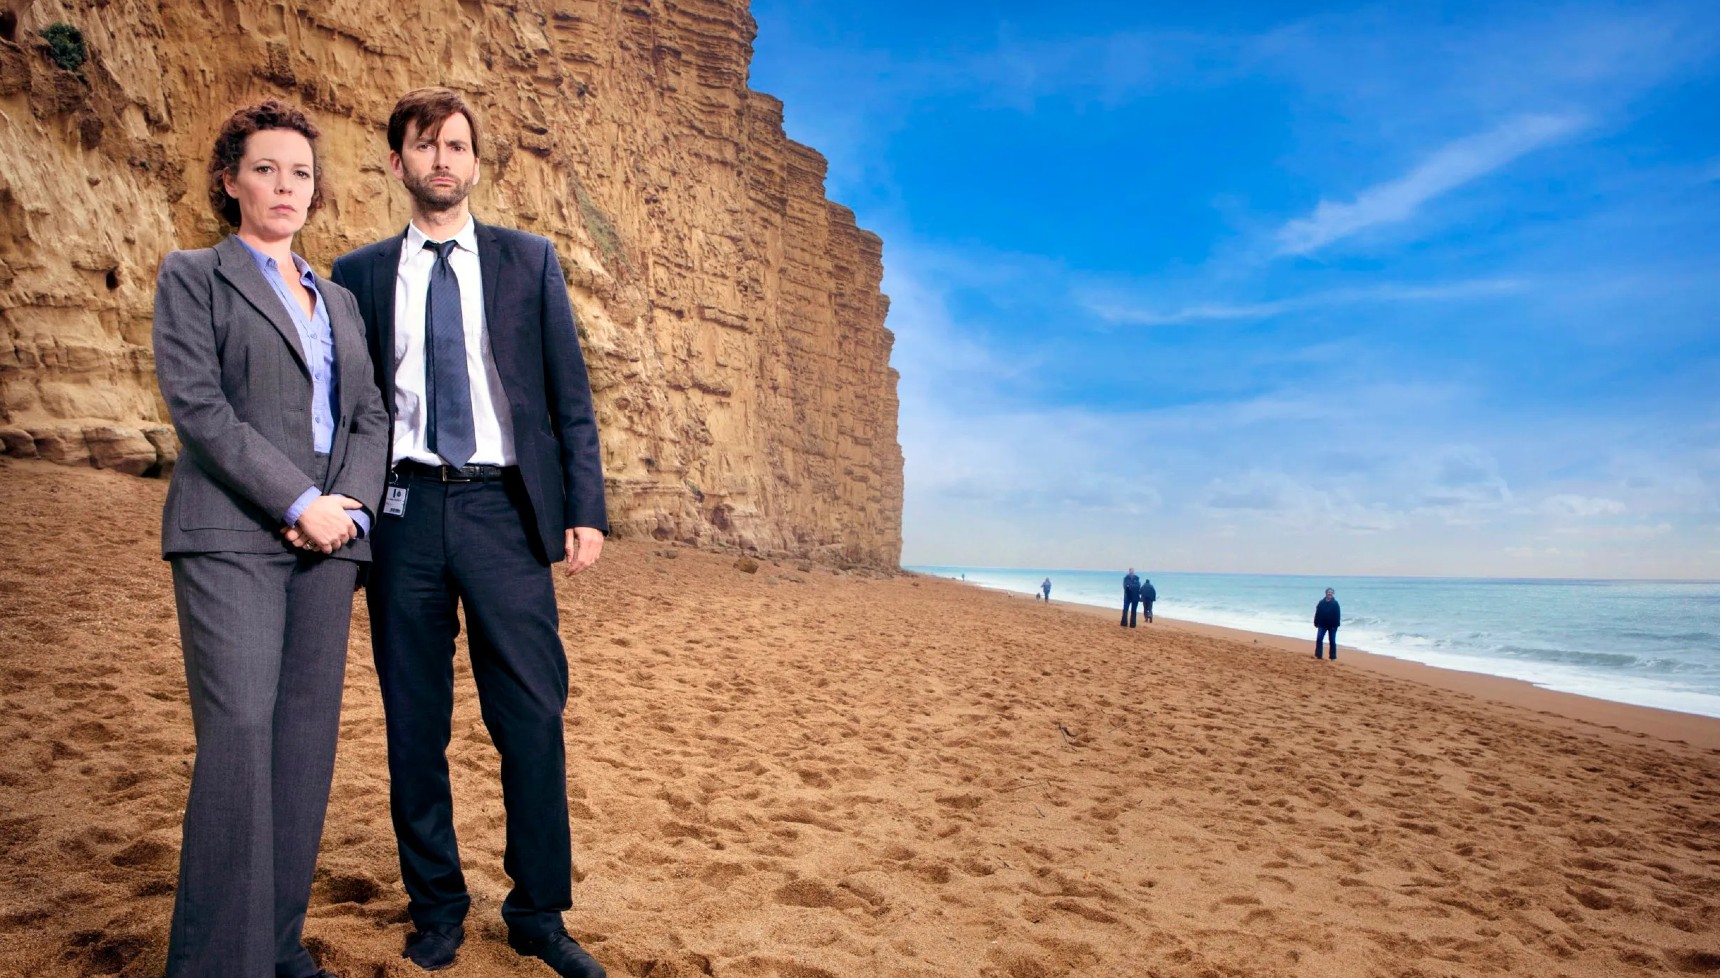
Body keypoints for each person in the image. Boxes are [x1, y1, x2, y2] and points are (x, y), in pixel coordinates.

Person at [330, 88, 609, 978]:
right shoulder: (359, 275)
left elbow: (568, 396)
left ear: (476, 162)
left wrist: (585, 509)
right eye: (425, 146)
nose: (442, 160)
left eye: (455, 145)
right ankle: (437, 908)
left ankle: (538, 913)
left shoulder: (529, 260)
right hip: (404, 512)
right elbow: (349, 410)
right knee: (415, 724)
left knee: (531, 715)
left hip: (504, 512)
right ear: (397, 162)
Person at [153, 99, 389, 978]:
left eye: (300, 173)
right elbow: (200, 408)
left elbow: (371, 415)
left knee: (301, 748)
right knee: (241, 738)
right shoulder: (193, 275)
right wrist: (300, 500)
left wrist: (350, 507)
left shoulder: (340, 301)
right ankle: (219, 963)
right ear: (230, 180)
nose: (285, 186)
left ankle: (279, 947)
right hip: (231, 536)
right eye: (265, 169)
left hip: (332, 545)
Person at [1314, 587, 1341, 660]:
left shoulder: (1335, 603)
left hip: (1332, 626)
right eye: (1328, 592)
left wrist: (1337, 624)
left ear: (1333, 594)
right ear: (1326, 593)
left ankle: (1333, 657)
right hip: (1322, 624)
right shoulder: (1321, 602)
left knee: (1332, 641)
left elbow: (1338, 615)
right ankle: (1318, 655)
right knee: (1319, 639)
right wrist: (1316, 622)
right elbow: (1317, 613)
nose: (1329, 593)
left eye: (1331, 592)